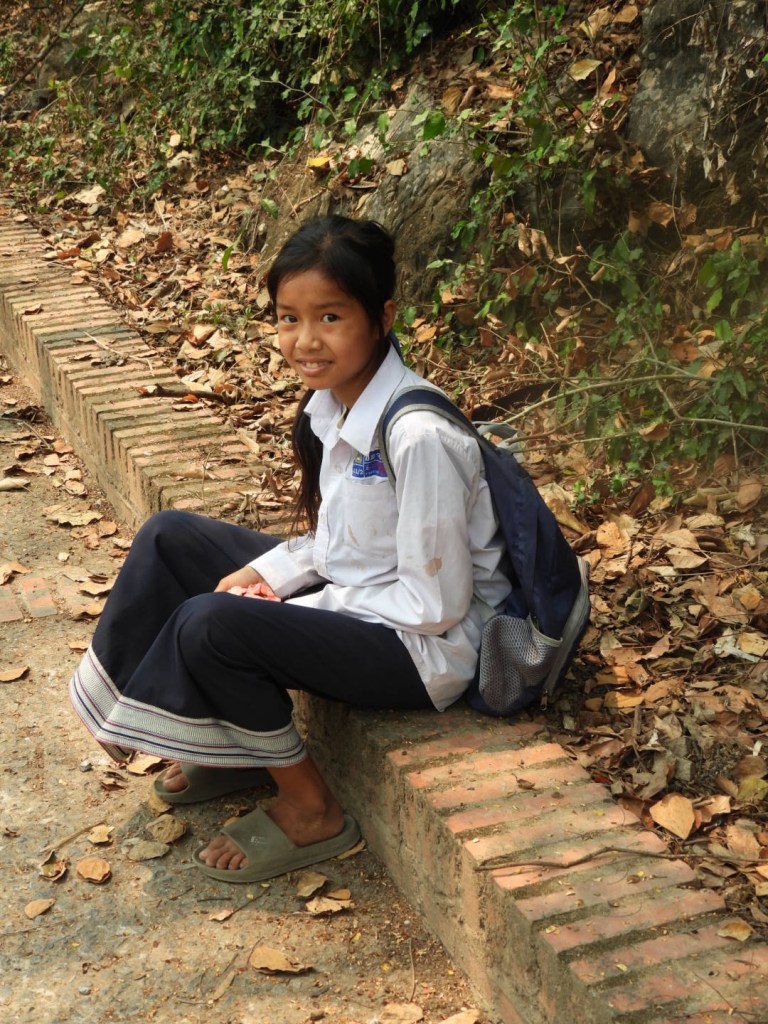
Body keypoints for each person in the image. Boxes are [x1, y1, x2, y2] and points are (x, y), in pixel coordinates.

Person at [69, 215, 511, 884]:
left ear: (383, 317)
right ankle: (225, 747)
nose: (305, 340)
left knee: (213, 624)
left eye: (330, 317)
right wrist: (266, 573)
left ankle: (312, 809)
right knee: (170, 538)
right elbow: (338, 545)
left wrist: (290, 608)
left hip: (428, 649)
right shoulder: (332, 405)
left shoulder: (418, 435)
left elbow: (436, 605)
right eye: (288, 318)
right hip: (373, 601)